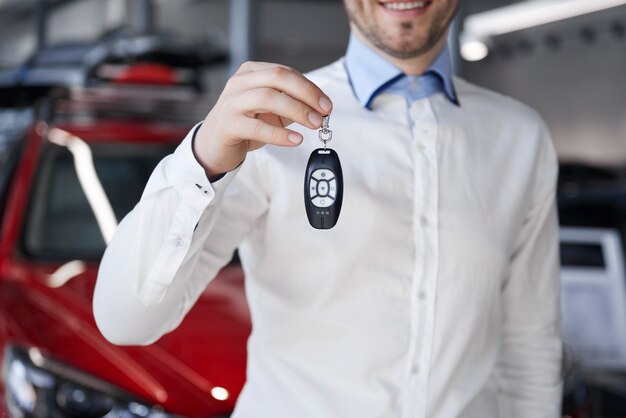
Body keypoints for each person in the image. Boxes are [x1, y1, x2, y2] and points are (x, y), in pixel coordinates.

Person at [93, 0, 563, 417]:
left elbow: (529, 344)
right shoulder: (265, 125)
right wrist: (202, 159)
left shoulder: (521, 137)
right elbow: (126, 320)